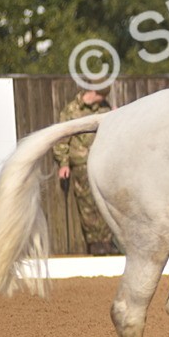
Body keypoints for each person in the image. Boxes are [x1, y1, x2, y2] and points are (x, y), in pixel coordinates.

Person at [53, 86, 119, 255]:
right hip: (81, 163)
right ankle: (96, 243)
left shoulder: (104, 108)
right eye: (100, 96)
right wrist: (63, 163)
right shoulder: (71, 110)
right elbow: (62, 137)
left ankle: (107, 242)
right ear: (93, 93)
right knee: (87, 204)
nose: (102, 100)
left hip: (102, 163)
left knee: (104, 201)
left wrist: (117, 116)